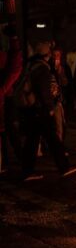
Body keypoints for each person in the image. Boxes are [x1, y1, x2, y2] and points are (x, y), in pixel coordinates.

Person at [19, 42, 76, 181]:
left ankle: (27, 172)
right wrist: (50, 108)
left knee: (32, 141)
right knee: (53, 139)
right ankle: (64, 167)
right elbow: (44, 91)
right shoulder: (42, 69)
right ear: (46, 55)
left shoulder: (31, 65)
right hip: (41, 110)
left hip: (32, 108)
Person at [0, 24, 23, 172]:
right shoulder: (7, 58)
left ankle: (10, 160)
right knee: (8, 131)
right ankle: (12, 160)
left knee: (8, 130)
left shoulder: (5, 58)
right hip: (5, 97)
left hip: (5, 99)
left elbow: (14, 67)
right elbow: (15, 67)